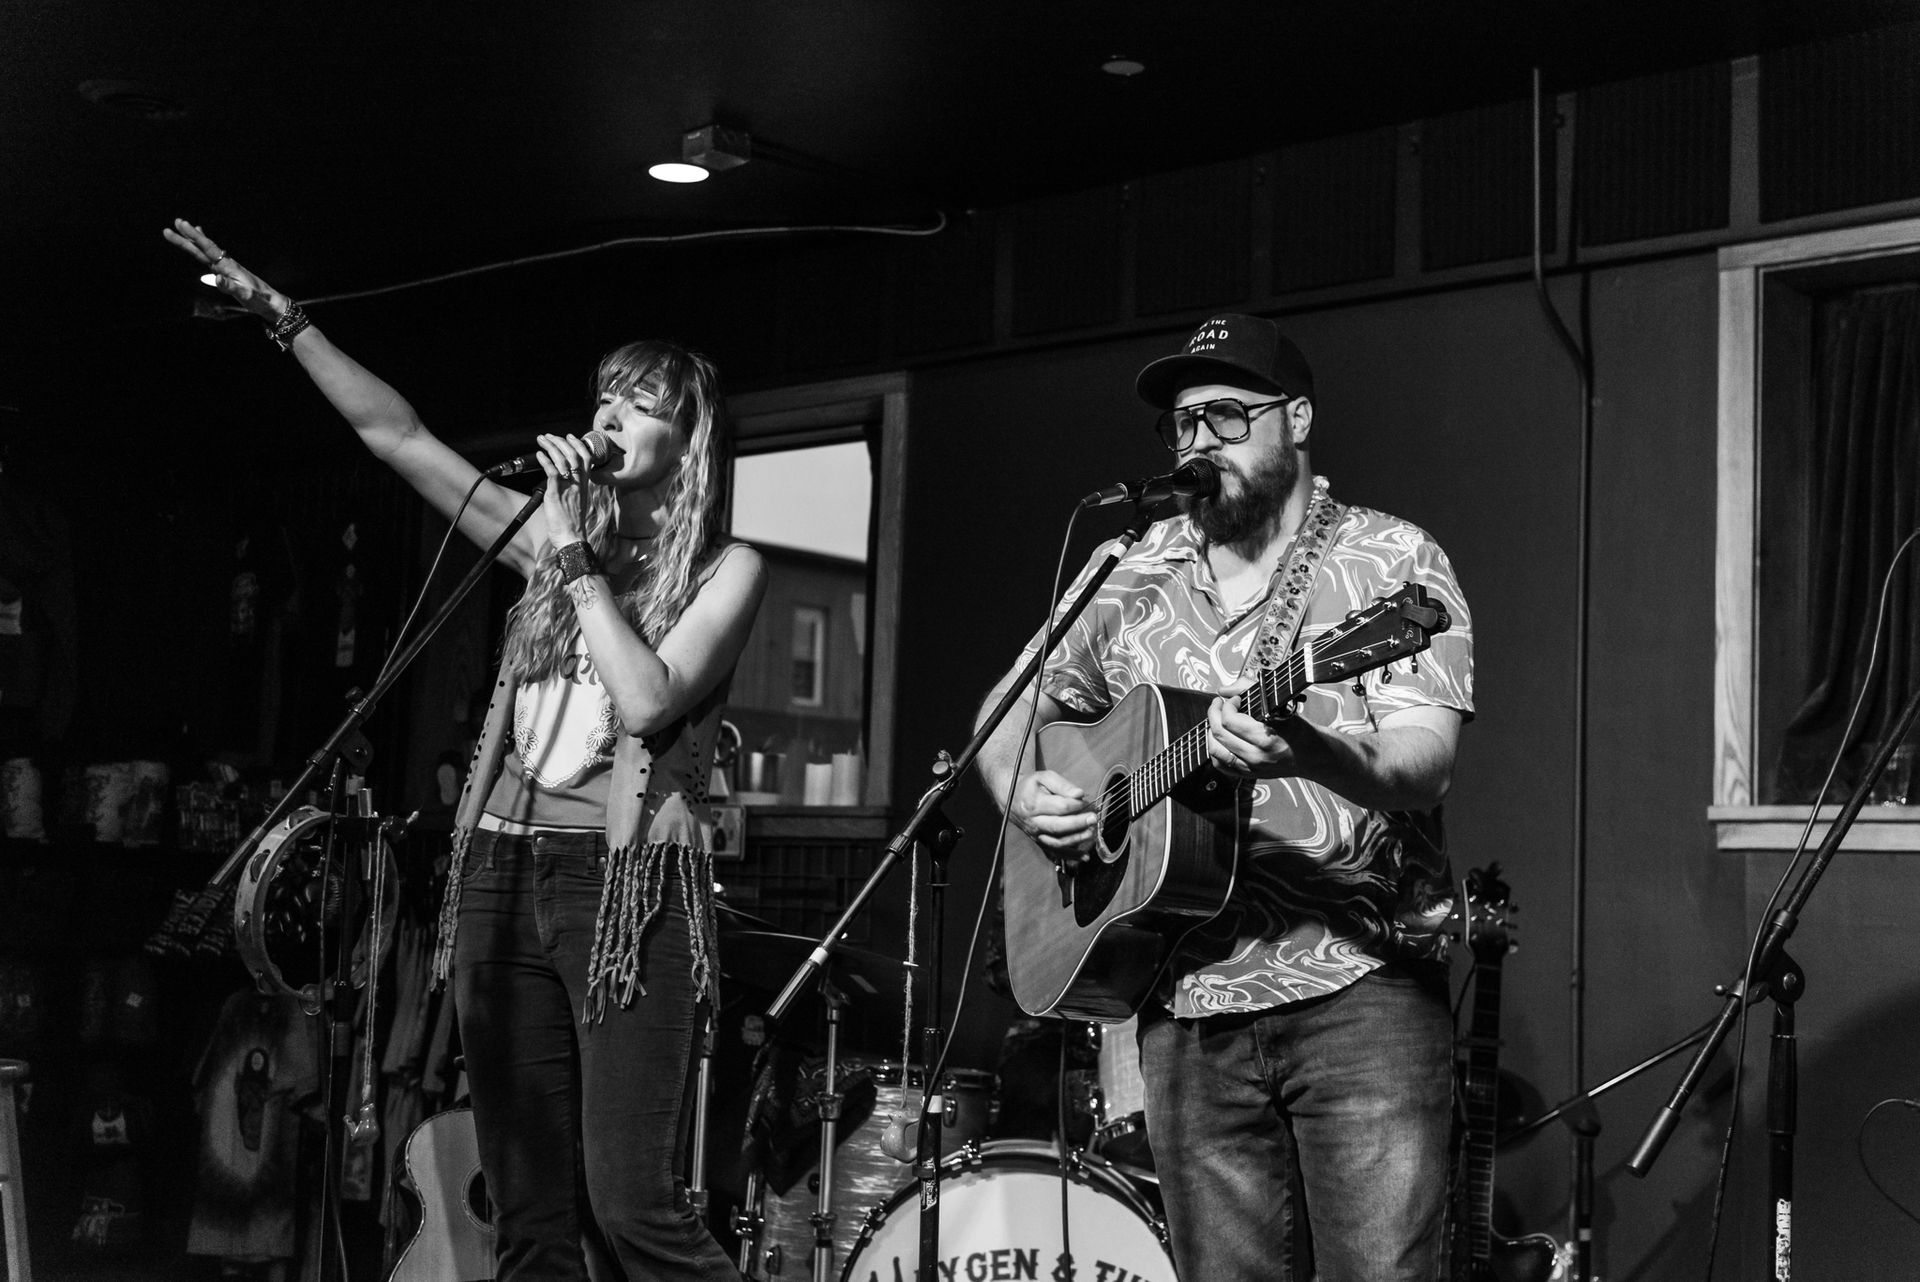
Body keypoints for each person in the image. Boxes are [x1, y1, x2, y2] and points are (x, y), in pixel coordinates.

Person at [166, 219, 765, 1281]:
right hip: (498, 873)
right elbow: (398, 438)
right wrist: (287, 323)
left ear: (689, 444)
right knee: (528, 1217)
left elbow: (644, 697)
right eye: (605, 395)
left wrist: (574, 549)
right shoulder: (548, 539)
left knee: (632, 1210)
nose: (609, 414)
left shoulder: (726, 568)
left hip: (622, 894)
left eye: (641, 403)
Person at [976, 314, 1474, 1281]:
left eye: (1227, 417)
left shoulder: (1391, 562)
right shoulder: (1130, 567)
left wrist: (1311, 751)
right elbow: (1003, 715)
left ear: (1296, 417)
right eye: (1181, 423)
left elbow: (1423, 761)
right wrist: (1026, 797)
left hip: (1357, 986)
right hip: (1185, 996)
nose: (1198, 440)